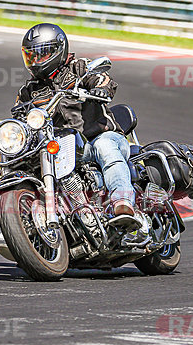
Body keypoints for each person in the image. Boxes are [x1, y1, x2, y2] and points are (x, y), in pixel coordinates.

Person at [14, 23, 141, 231]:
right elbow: (18, 115)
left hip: (98, 137)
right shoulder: (29, 90)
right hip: (63, 147)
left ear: (59, 50)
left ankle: (122, 202)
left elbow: (103, 79)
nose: (36, 61)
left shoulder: (79, 68)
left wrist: (101, 89)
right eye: (31, 56)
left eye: (42, 54)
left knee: (105, 148)